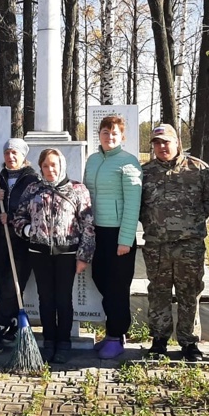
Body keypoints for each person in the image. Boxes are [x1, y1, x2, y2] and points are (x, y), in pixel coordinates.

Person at [139, 124, 209, 361]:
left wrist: (194, 222)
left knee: (189, 293)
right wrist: (152, 223)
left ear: (177, 143)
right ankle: (159, 340)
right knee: (158, 292)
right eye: (157, 143)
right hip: (157, 245)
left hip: (189, 245)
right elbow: (137, 205)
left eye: (166, 142)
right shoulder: (144, 173)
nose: (162, 147)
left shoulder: (198, 169)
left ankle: (188, 342)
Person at [14, 149, 96, 364]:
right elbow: (19, 216)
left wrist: (84, 256)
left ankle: (64, 342)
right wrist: (27, 230)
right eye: (45, 166)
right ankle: (49, 341)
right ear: (40, 168)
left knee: (63, 299)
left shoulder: (77, 189)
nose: (50, 170)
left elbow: (87, 225)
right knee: (46, 299)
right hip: (39, 253)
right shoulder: (33, 189)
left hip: (67, 253)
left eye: (54, 165)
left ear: (62, 165)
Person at [83, 115, 143, 360]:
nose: (109, 137)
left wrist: (125, 240)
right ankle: (113, 331)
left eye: (114, 133)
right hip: (97, 232)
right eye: (105, 132)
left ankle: (116, 336)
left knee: (118, 288)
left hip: (119, 233)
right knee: (100, 279)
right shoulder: (94, 160)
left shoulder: (129, 163)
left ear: (122, 137)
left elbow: (132, 205)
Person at [0, 138, 39, 353]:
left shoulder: (32, 180)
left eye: (15, 152)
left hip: (21, 243)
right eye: (7, 152)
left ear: (23, 155)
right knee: (3, 287)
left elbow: (35, 210)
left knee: (12, 288)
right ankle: (14, 325)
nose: (10, 156)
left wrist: (14, 217)